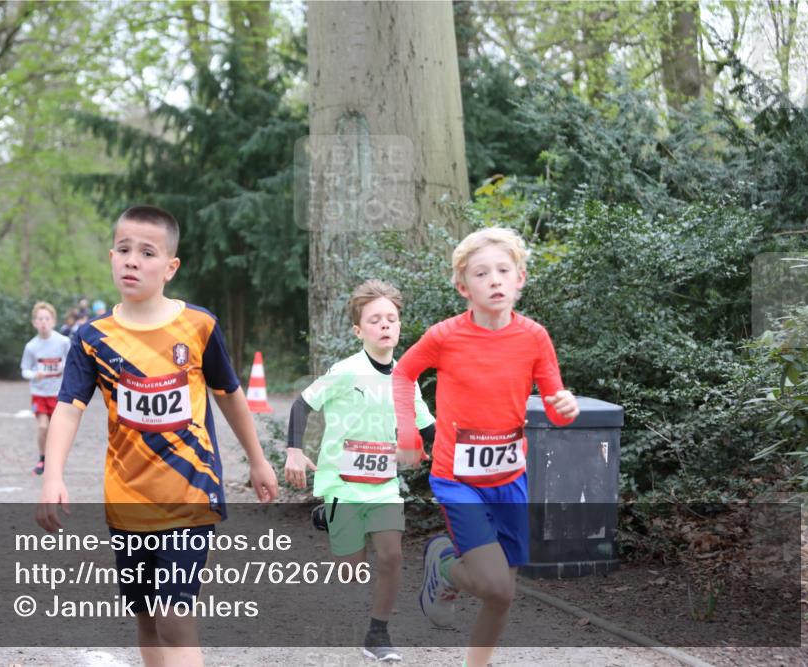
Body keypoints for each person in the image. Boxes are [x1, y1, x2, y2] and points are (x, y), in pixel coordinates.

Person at [36, 204, 278, 667]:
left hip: (191, 492)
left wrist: (257, 458)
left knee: (173, 616)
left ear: (170, 267)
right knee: (146, 616)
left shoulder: (199, 326)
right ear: (110, 256)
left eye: (147, 252)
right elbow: (68, 409)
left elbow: (229, 393)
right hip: (127, 499)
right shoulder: (92, 338)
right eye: (124, 249)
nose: (132, 260)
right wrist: (53, 474)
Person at [391, 228, 580, 667]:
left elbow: (555, 408)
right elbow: (403, 374)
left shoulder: (534, 337)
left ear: (520, 279)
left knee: (503, 594)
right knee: (494, 586)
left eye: (503, 270)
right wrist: (407, 433)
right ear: (463, 287)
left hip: (511, 477)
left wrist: (565, 407)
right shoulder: (445, 336)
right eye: (481, 273)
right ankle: (442, 565)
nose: (494, 280)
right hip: (457, 479)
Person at [285, 279, 435, 662]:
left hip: (383, 484)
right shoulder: (345, 371)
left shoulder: (406, 379)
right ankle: (329, 515)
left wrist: (451, 458)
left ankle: (378, 634)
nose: (385, 325)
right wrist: (294, 452)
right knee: (351, 569)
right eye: (375, 320)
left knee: (390, 557)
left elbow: (427, 427)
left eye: (391, 318)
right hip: (343, 481)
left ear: (400, 326)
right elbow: (301, 406)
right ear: (359, 330)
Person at [20, 301, 71, 475]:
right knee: (43, 427)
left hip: (58, 393)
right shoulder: (31, 346)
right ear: (34, 322)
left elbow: (72, 362)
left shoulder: (63, 342)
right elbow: (25, 370)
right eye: (40, 319)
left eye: (47, 318)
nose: (43, 322)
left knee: (56, 429)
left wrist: (62, 367)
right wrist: (35, 375)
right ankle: (42, 459)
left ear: (53, 321)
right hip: (39, 393)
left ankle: (55, 462)